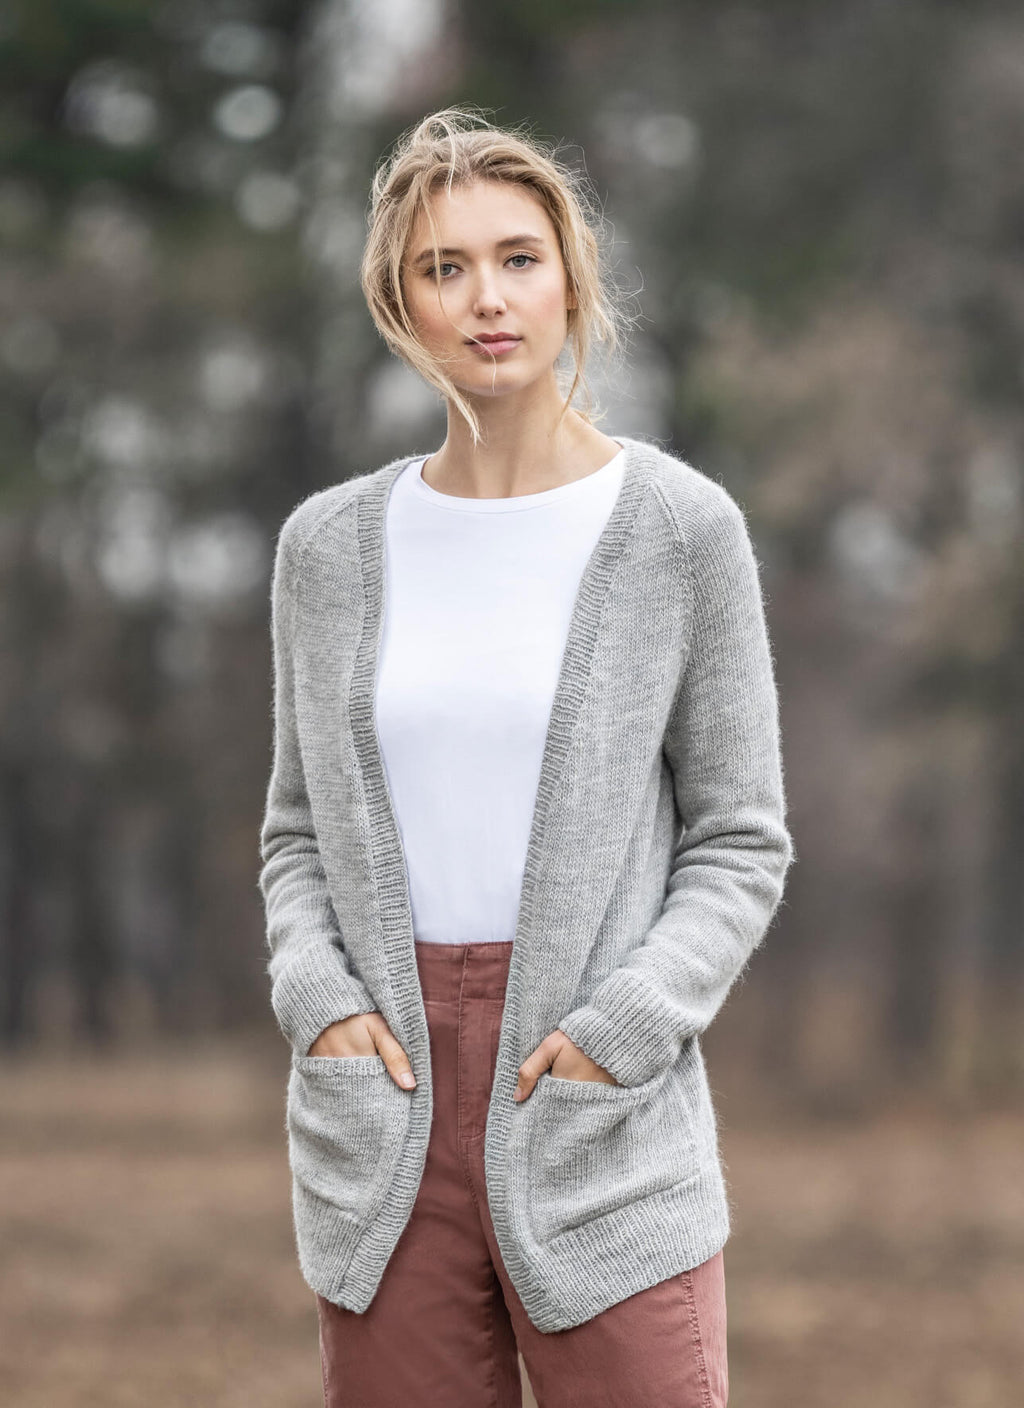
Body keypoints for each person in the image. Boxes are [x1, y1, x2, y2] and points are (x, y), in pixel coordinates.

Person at [258, 105, 795, 1408]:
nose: (487, 298)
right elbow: (295, 833)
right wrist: (320, 1001)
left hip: (602, 1108)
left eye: (517, 259)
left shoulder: (681, 532)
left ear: (572, 282)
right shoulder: (326, 550)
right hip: (384, 1110)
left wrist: (625, 1030)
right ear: (400, 303)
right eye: (444, 268)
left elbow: (740, 838)